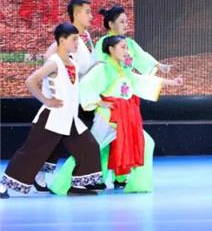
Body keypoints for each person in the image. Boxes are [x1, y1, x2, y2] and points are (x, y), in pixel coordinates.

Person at [49, 35, 183, 195]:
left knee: (146, 143)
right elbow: (85, 86)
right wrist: (99, 102)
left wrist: (171, 82)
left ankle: (137, 185)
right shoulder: (103, 68)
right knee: (92, 149)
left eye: (127, 47)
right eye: (123, 47)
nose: (126, 51)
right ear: (111, 49)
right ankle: (63, 184)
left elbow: (139, 80)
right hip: (108, 117)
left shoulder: (123, 69)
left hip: (126, 117)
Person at [0, 23, 103, 198]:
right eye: (74, 39)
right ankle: (3, 186)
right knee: (31, 152)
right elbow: (30, 81)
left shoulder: (71, 62)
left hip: (69, 118)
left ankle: (78, 186)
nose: (77, 43)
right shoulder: (53, 62)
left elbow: (74, 81)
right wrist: (46, 100)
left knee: (89, 146)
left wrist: (94, 66)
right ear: (62, 40)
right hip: (52, 117)